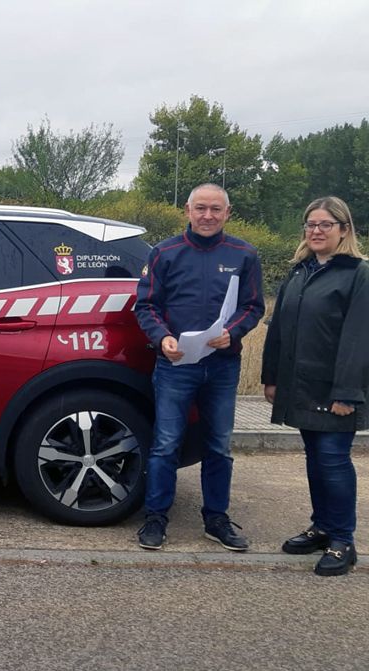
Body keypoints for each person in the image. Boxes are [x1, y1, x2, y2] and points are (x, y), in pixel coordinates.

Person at [133, 183, 264, 552]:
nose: (208, 216)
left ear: (228, 213)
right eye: (201, 209)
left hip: (222, 366)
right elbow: (145, 305)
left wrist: (233, 332)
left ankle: (216, 519)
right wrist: (161, 338)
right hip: (176, 364)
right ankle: (156, 518)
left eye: (216, 210)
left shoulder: (245, 254)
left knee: (219, 445)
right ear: (187, 211)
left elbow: (254, 306)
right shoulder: (165, 252)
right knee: (165, 444)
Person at [261, 196, 366, 576]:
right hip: (299, 386)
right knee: (315, 459)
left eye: (325, 225)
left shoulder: (358, 273)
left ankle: (343, 541)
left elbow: (358, 338)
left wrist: (347, 392)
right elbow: (279, 329)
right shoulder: (300, 271)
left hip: (335, 390)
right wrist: (271, 378)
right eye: (311, 224)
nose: (316, 231)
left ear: (344, 229)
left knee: (333, 460)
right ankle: (322, 527)